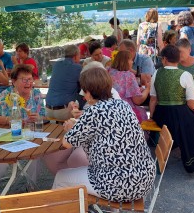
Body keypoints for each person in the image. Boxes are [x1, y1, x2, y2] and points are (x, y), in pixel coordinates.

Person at [52, 68, 155, 203]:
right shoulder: (123, 105)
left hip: (119, 184)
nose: (83, 95)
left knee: (61, 177)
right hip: (144, 179)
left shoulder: (93, 112)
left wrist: (71, 127)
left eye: (84, 91)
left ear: (88, 92)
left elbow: (66, 143)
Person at [149, 45, 194, 173]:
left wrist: (152, 117)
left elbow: (153, 99)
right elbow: (192, 105)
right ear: (178, 59)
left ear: (164, 59)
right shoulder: (185, 75)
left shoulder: (157, 73)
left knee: (192, 121)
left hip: (160, 115)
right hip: (179, 115)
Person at [0, 65, 45, 194]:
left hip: (29, 136)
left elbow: (43, 115)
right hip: (6, 138)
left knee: (36, 154)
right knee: (0, 162)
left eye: (30, 79)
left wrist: (38, 117)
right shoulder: (5, 95)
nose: (29, 83)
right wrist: (9, 120)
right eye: (24, 80)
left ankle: (31, 187)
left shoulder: (36, 94)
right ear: (14, 81)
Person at [108, 51, 150, 122]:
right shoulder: (128, 75)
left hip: (109, 110)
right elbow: (138, 100)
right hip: (125, 112)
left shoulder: (108, 71)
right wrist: (148, 89)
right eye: (130, 60)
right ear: (125, 61)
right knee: (143, 113)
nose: (132, 62)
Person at [45, 45, 82, 120]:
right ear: (75, 56)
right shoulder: (77, 68)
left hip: (48, 109)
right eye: (79, 55)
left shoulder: (57, 64)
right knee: (81, 106)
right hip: (63, 111)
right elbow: (83, 86)